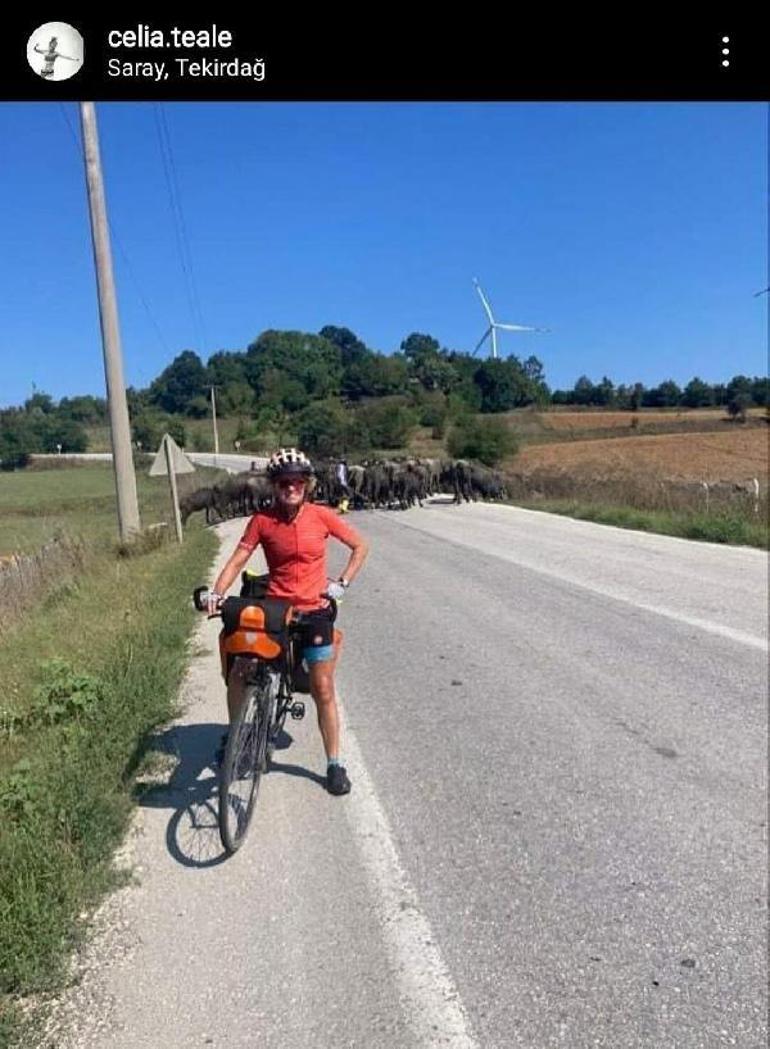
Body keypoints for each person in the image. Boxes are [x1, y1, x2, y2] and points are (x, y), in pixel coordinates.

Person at [207, 448, 369, 795]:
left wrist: (341, 584)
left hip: (314, 612)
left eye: (297, 481)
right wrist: (216, 593)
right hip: (275, 612)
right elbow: (239, 559)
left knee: (322, 688)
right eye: (284, 482)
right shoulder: (263, 521)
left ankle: (334, 763)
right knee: (241, 669)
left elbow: (359, 546)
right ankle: (235, 735)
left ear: (307, 485)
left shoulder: (322, 516)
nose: (291, 488)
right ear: (274, 486)